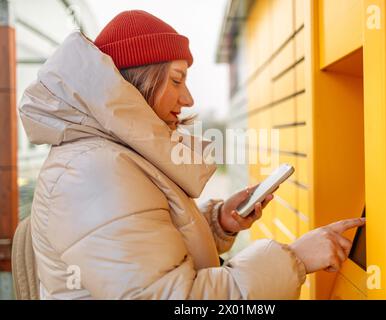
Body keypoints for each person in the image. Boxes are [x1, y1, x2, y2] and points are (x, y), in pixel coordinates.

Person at [19, 10, 365, 300]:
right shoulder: (93, 171)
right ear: (136, 80)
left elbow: (144, 247)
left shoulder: (108, 159)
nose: (188, 99)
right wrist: (295, 259)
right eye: (176, 80)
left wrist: (218, 223)